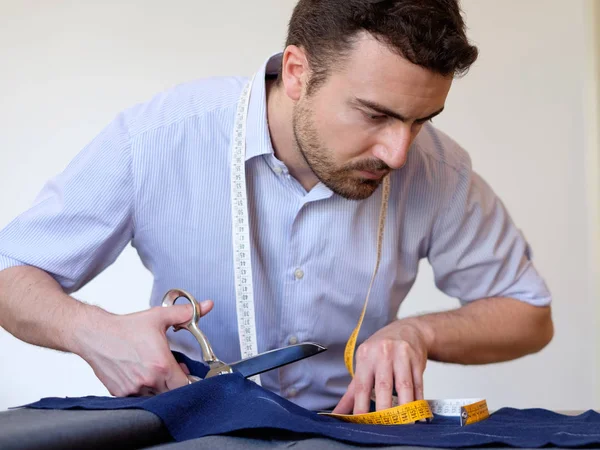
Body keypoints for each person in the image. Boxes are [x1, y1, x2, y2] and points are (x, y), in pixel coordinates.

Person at [0, 0, 553, 416]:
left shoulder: (438, 169)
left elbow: (529, 316)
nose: (398, 153)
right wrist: (90, 330)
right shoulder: (155, 141)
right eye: (374, 114)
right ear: (295, 71)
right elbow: (9, 273)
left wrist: (419, 333)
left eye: (420, 120)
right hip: (193, 430)